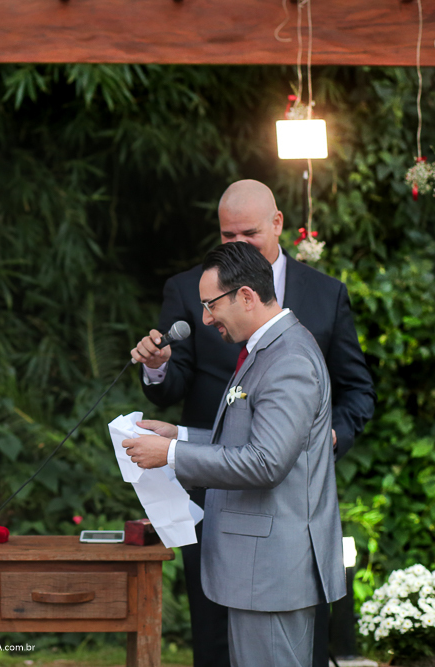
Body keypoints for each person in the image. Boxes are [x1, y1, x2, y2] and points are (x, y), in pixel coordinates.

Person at [131, 179, 374, 667]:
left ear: (245, 296)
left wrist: (173, 456)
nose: (204, 321)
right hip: (254, 562)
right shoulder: (262, 347)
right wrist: (178, 433)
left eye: (210, 306)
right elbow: (243, 436)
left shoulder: (286, 357)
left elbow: (264, 462)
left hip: (275, 567)